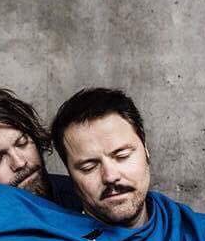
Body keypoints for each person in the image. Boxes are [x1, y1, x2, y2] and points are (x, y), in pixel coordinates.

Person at [49, 86, 151, 228]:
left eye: (122, 156)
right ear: (70, 174)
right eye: (89, 167)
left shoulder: (183, 227)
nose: (110, 177)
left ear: (146, 150)